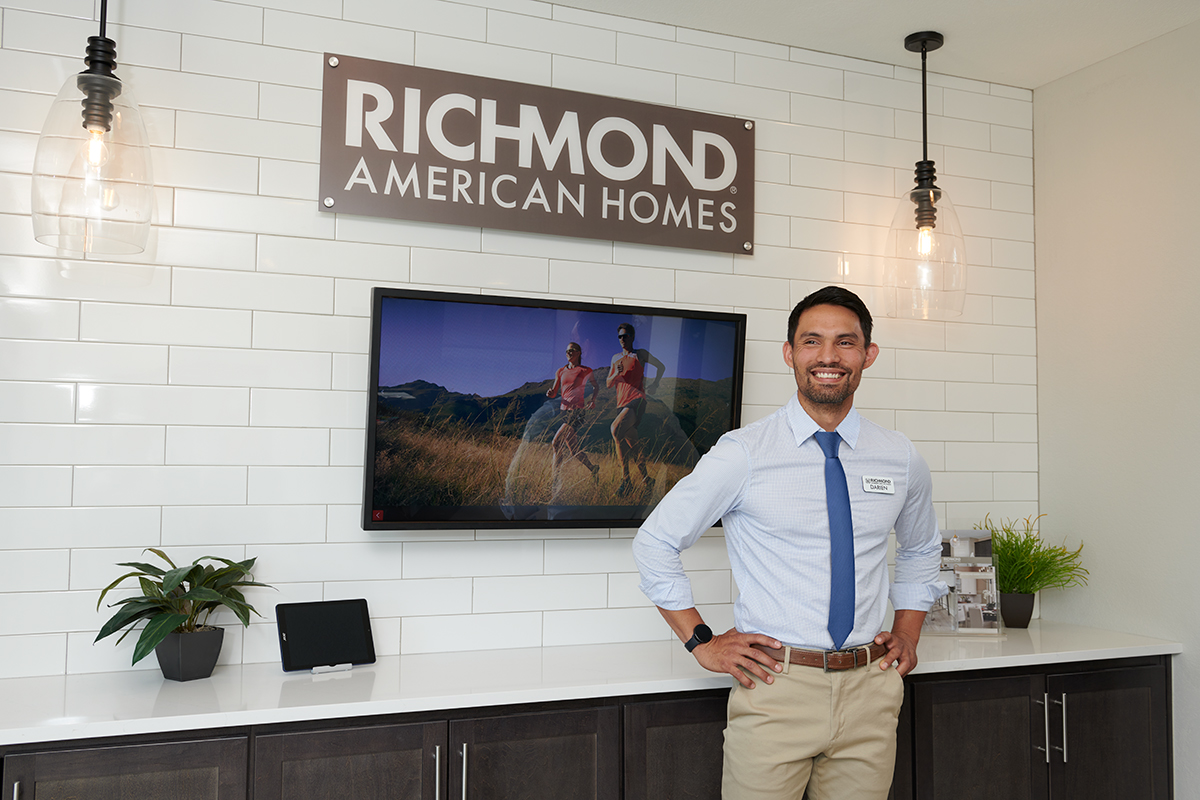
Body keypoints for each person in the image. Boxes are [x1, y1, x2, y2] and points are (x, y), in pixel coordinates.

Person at [632, 286, 945, 800]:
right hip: (776, 689)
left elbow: (920, 549)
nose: (828, 356)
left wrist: (908, 632)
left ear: (868, 355)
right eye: (811, 341)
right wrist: (701, 641)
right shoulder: (744, 453)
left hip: (871, 691)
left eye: (846, 343)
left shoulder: (900, 457)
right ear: (789, 353)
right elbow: (656, 541)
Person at [606, 323, 665, 497]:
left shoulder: (640, 354)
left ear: (632, 337)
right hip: (620, 404)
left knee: (615, 429)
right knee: (633, 445)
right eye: (619, 337)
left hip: (637, 400)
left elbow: (661, 366)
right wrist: (616, 373)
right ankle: (648, 481)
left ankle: (626, 482)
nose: (622, 339)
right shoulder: (615, 358)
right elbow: (608, 384)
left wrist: (655, 383)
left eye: (625, 336)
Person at [545, 342, 601, 497]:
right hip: (564, 411)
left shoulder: (585, 370)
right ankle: (593, 468)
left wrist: (593, 400)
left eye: (571, 351)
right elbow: (554, 392)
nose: (568, 353)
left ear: (578, 353)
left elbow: (596, 386)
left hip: (577, 411)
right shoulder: (561, 371)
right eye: (567, 351)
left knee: (556, 442)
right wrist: (549, 393)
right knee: (574, 450)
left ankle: (555, 481)